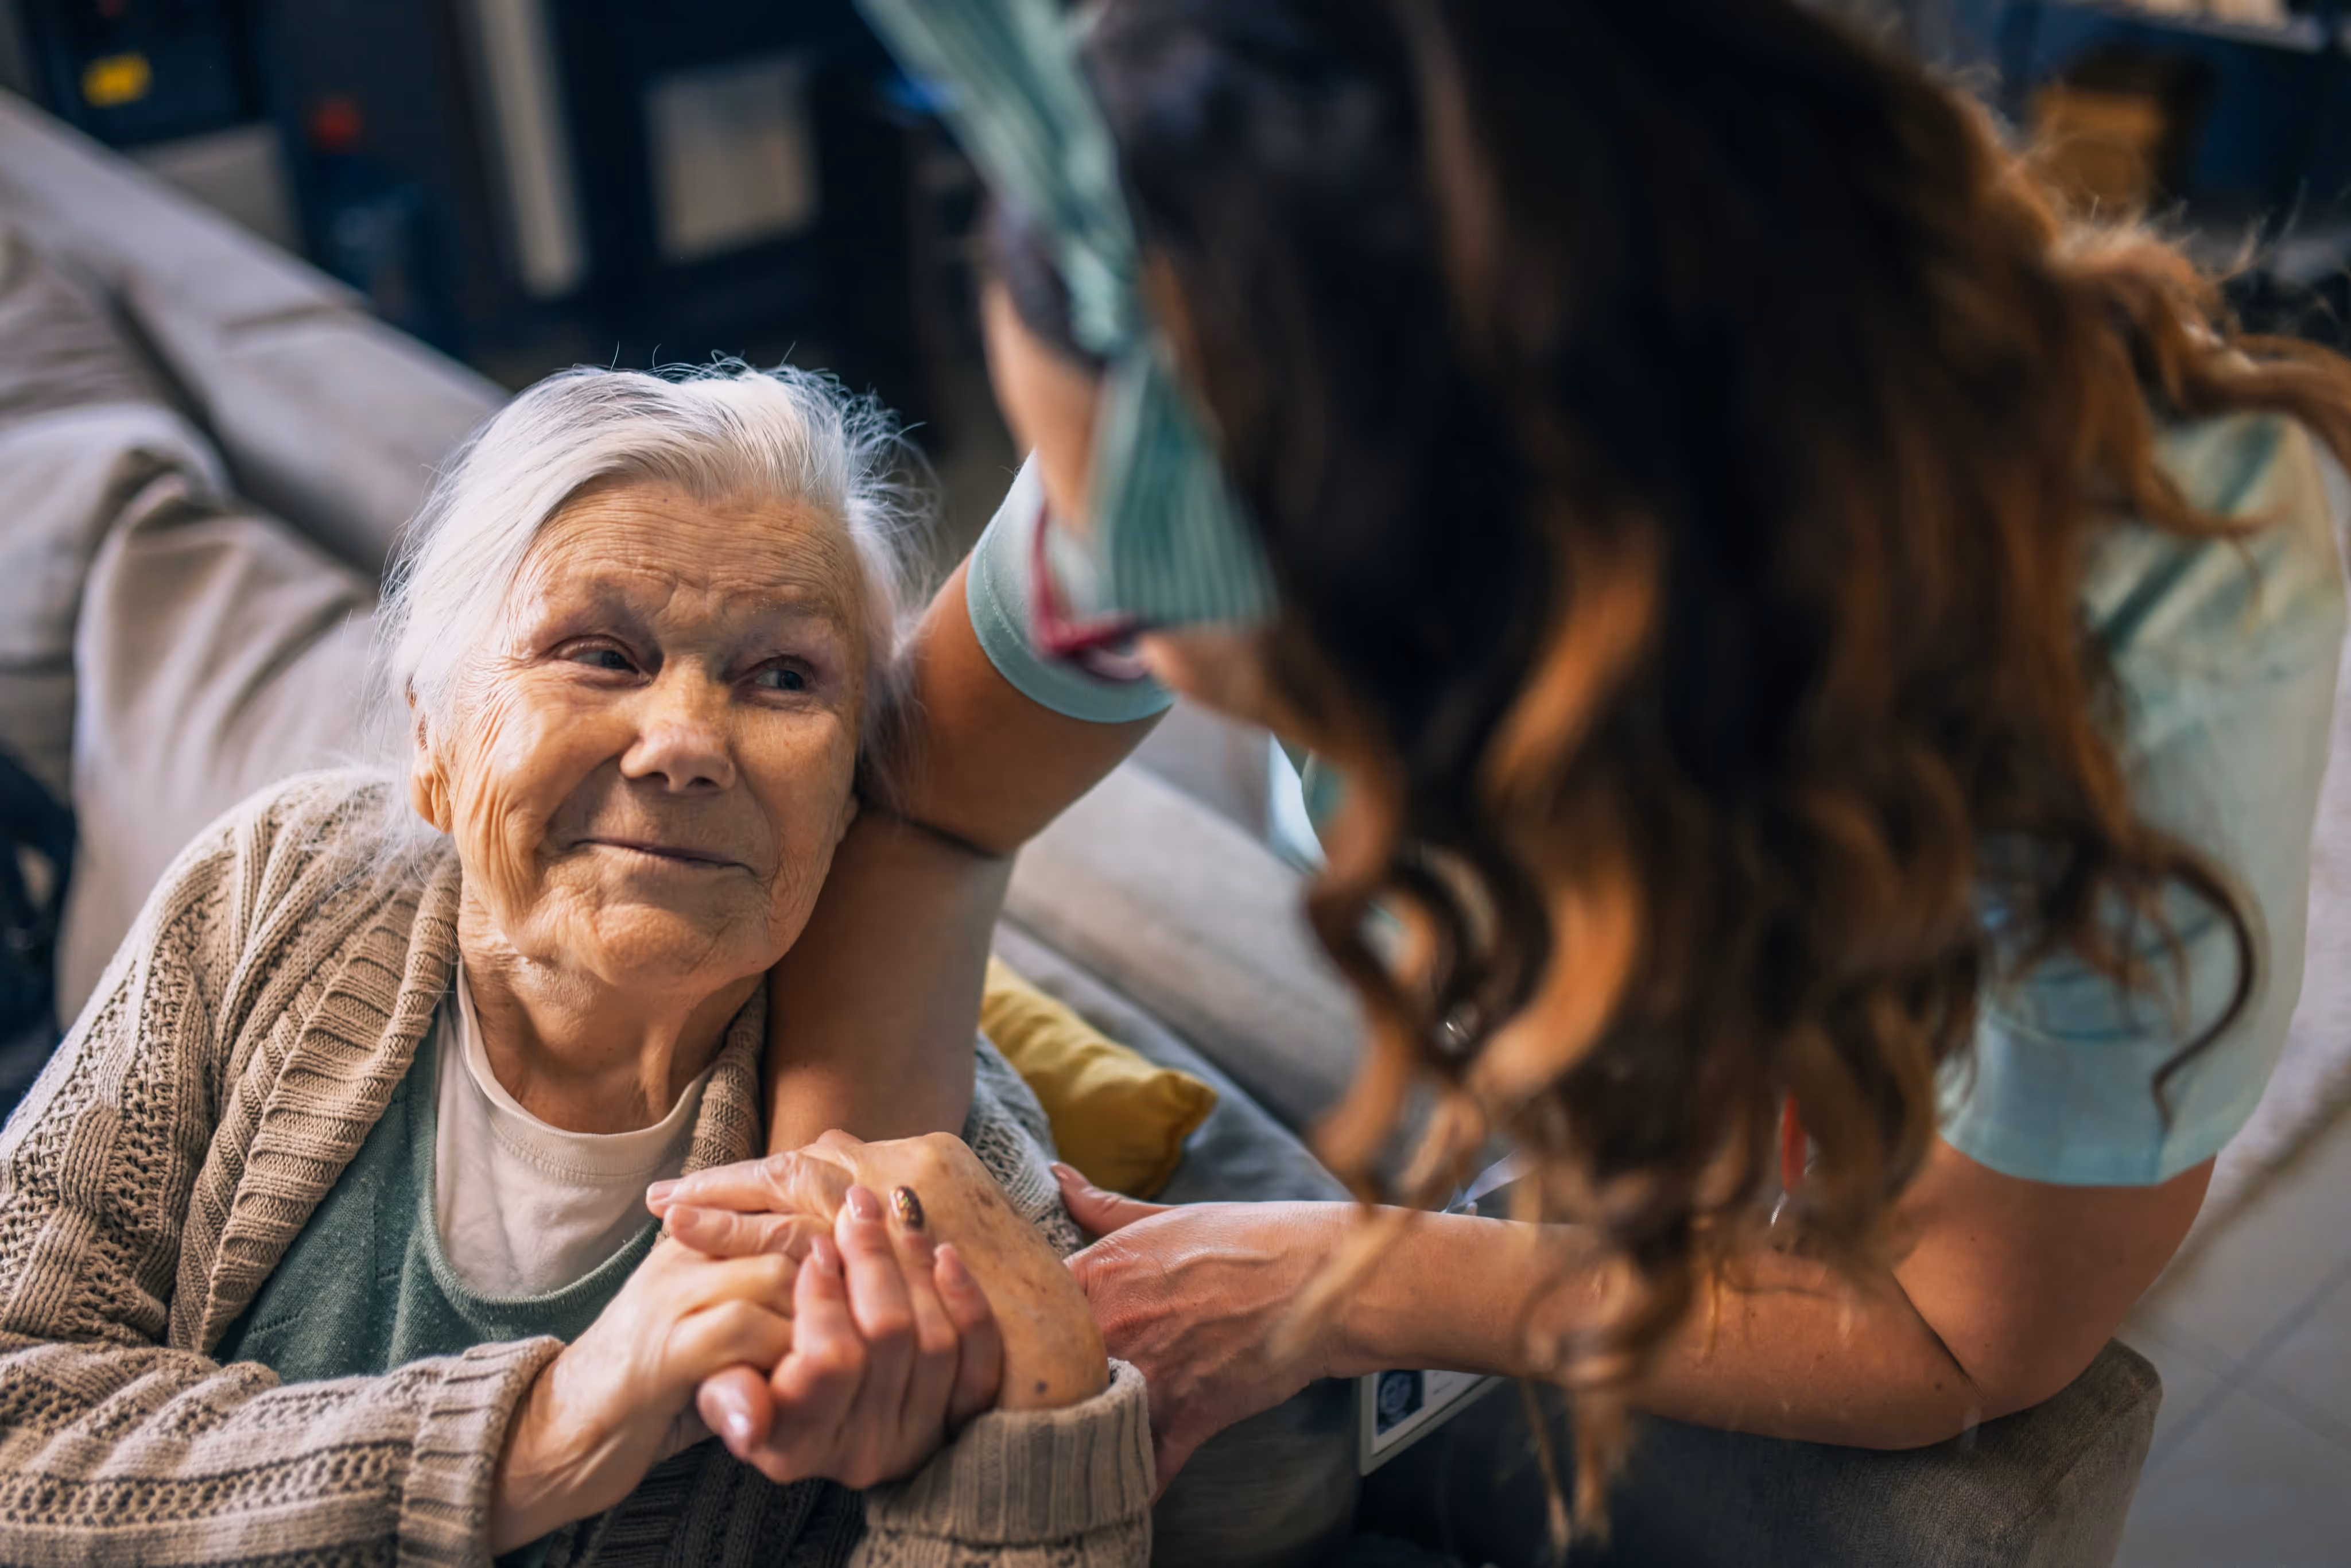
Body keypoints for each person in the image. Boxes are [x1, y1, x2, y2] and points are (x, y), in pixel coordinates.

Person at [655, 0, 2351, 1538]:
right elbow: (936, 805)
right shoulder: (1183, 402)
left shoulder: (2162, 624)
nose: (1141, 665)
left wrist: (1366, 1278)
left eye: (1290, 674)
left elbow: (1962, 1316)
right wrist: (851, 1214)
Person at [0, 352, 1153, 1565]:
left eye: (782, 677)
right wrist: (538, 1434)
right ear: (432, 741)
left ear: (849, 798)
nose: (684, 744)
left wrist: (1049, 1416)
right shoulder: (274, 889)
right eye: (600, 652)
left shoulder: (944, 1174)